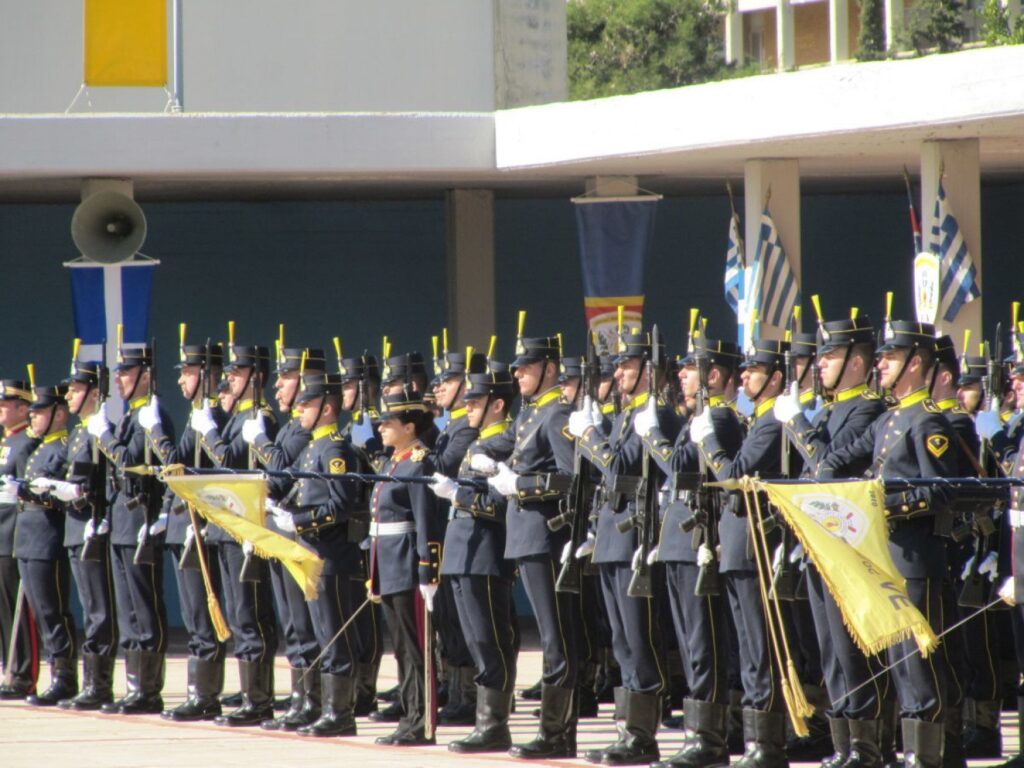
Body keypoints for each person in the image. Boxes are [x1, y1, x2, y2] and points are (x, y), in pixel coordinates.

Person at [819, 320, 959, 768]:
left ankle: (926, 756)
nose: (879, 364)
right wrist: (825, 476)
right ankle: (910, 751)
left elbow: (941, 491)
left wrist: (881, 504)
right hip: (888, 559)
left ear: (915, 363)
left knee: (919, 665)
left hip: (915, 558)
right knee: (898, 663)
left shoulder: (928, 422)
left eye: (890, 357)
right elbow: (840, 457)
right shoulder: (887, 419)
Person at [774, 314, 888, 768]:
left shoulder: (869, 410)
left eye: (831, 356)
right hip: (821, 545)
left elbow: (828, 466)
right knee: (831, 652)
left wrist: (797, 425)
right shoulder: (830, 410)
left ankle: (866, 746)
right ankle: (843, 744)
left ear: (857, 362)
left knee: (852, 650)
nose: (819, 363)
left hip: (849, 548)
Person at [569, 328, 682, 766]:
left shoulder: (657, 416)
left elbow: (619, 469)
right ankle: (627, 730)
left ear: (649, 371)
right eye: (617, 367)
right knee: (621, 640)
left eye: (627, 366)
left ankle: (642, 735)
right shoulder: (626, 415)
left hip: (636, 536)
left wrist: (589, 436)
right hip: (612, 536)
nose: (618, 374)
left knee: (639, 638)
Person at [639, 332, 745, 768]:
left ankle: (710, 739)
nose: (680, 375)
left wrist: (653, 438)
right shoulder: (700, 417)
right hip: (681, 542)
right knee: (690, 645)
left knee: (704, 646)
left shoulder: (719, 419)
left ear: (713, 376)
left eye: (690, 369)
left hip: (698, 543)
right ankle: (704, 733)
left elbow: (680, 469)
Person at [690, 338, 790, 768]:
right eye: (744, 369)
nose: (744, 376)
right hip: (737, 544)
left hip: (754, 547)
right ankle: (754, 740)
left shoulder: (770, 425)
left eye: (755, 370)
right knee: (747, 648)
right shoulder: (756, 421)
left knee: (758, 649)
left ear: (776, 378)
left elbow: (732, 474)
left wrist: (709, 442)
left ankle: (766, 744)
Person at [486, 331, 577, 760]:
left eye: (526, 367)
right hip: (527, 535)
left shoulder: (557, 414)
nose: (518, 374)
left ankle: (556, 733)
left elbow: (570, 478)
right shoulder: (531, 414)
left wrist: (519, 485)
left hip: (546, 536)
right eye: (518, 368)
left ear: (549, 369)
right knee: (549, 634)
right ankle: (556, 731)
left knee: (556, 637)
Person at [189, 343, 280, 726]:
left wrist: (209, 432)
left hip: (246, 529)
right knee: (240, 615)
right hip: (226, 528)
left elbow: (228, 461)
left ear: (256, 377)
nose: (229, 378)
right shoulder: (237, 416)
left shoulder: (259, 418)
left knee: (250, 615)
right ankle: (249, 696)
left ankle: (259, 701)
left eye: (237, 373)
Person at [269, 372, 363, 737]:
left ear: (326, 408)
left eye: (306, 405)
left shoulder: (335, 450)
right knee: (320, 634)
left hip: (330, 555)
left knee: (333, 636)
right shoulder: (312, 448)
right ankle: (322, 707)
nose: (299, 410)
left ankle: (341, 714)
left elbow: (340, 505)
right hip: (311, 554)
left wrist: (299, 521)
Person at [431, 362, 518, 753]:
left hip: (485, 552)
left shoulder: (504, 444)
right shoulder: (480, 442)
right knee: (475, 639)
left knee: (489, 639)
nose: (467, 407)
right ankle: (486, 722)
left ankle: (494, 725)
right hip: (462, 550)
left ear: (497, 405)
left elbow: (499, 506)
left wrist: (457, 495)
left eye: (475, 401)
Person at [88, 344, 174, 715]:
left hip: (142, 518)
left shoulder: (153, 416)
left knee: (144, 605)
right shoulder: (130, 417)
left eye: (126, 372)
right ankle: (135, 684)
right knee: (128, 609)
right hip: (122, 519)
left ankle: (148, 689)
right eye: (120, 373)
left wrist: (106, 437)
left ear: (146, 376)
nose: (120, 379)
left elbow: (134, 462)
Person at [145, 341, 229, 721]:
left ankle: (206, 695)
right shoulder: (198, 416)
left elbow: (209, 473)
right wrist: (166, 512)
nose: (181, 380)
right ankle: (200, 691)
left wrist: (157, 432)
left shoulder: (214, 420)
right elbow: (176, 471)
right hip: (183, 525)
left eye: (189, 372)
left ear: (208, 376)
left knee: (203, 613)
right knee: (194, 614)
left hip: (202, 528)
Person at [248, 345, 324, 732]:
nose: (278, 385)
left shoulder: (304, 428)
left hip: (299, 535)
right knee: (292, 623)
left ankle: (312, 700)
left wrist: (260, 442)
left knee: (304, 622)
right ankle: (300, 698)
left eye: (286, 377)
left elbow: (279, 470)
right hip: (281, 531)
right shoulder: (293, 425)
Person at [368, 387, 442, 747]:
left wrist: (428, 568)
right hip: (389, 565)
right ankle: (409, 714)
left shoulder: (419, 463)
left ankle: (422, 721)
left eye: (389, 423)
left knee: (416, 649)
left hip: (409, 566)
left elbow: (426, 521)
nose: (381, 428)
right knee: (401, 648)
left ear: (410, 427)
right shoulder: (394, 461)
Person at [56, 359, 118, 711]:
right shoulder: (80, 432)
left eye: (76, 389)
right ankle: (90, 681)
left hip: (93, 526)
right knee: (89, 606)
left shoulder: (102, 430)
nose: (68, 395)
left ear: (94, 393)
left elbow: (107, 481)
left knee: (99, 609)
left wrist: (98, 509)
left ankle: (99, 685)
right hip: (75, 526)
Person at [16, 384, 79, 705]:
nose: (33, 417)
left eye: (39, 412)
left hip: (48, 537)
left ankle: (64, 677)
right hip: (28, 536)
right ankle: (55, 673)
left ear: (59, 414)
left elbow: (67, 492)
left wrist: (44, 490)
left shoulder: (64, 447)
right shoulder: (39, 448)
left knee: (53, 612)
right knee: (41, 613)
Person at [0, 379, 40, 700]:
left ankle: (24, 674)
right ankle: (9, 668)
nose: (0, 410)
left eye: (5, 404)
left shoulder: (26, 443)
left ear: (23, 408)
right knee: (3, 609)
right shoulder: (6, 441)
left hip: (14, 534)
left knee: (19, 611)